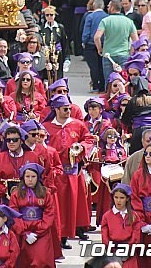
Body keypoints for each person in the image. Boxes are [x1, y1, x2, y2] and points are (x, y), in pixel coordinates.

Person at [43, 94, 94, 248]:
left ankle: (68, 234)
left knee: (71, 204)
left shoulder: (78, 125)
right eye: (65, 109)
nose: (68, 111)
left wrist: (81, 149)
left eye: (69, 108)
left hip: (72, 171)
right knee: (57, 206)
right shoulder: (46, 127)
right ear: (56, 109)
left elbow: (89, 139)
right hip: (54, 173)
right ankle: (57, 236)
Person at [9, 163, 56, 267]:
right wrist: (24, 232)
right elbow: (14, 214)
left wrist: (39, 231)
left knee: (41, 260)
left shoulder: (45, 193)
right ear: (23, 177)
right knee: (23, 261)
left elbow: (49, 213)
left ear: (38, 177)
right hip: (22, 232)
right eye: (27, 176)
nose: (30, 179)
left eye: (33, 177)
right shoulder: (16, 194)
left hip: (41, 232)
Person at [94, 0, 139, 82]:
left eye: (108, 6)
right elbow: (136, 41)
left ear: (112, 7)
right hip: (124, 54)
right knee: (123, 80)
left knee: (109, 81)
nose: (107, 8)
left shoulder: (105, 20)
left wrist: (100, 49)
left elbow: (97, 37)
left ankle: (109, 93)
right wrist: (131, 52)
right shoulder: (129, 21)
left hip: (108, 54)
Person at [99, 184, 140, 268]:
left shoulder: (134, 216)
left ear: (127, 199)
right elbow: (104, 235)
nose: (118, 201)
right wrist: (110, 247)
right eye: (116, 197)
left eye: (122, 198)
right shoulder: (107, 216)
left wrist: (129, 247)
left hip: (129, 252)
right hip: (113, 251)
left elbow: (136, 234)